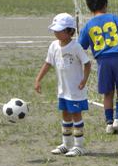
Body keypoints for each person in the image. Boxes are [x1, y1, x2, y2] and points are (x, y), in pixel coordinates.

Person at [78, 0, 118, 134]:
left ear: (89, 7)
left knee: (108, 93)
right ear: (105, 4)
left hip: (103, 61)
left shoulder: (88, 25)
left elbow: (80, 47)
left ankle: (109, 123)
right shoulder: (115, 19)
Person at [34, 13, 92, 157]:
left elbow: (87, 63)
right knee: (65, 115)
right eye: (55, 30)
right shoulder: (53, 46)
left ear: (69, 31)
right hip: (63, 90)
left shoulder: (76, 47)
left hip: (75, 91)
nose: (56, 33)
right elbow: (48, 63)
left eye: (59, 30)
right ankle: (66, 144)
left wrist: (84, 80)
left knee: (76, 116)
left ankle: (79, 146)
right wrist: (38, 79)